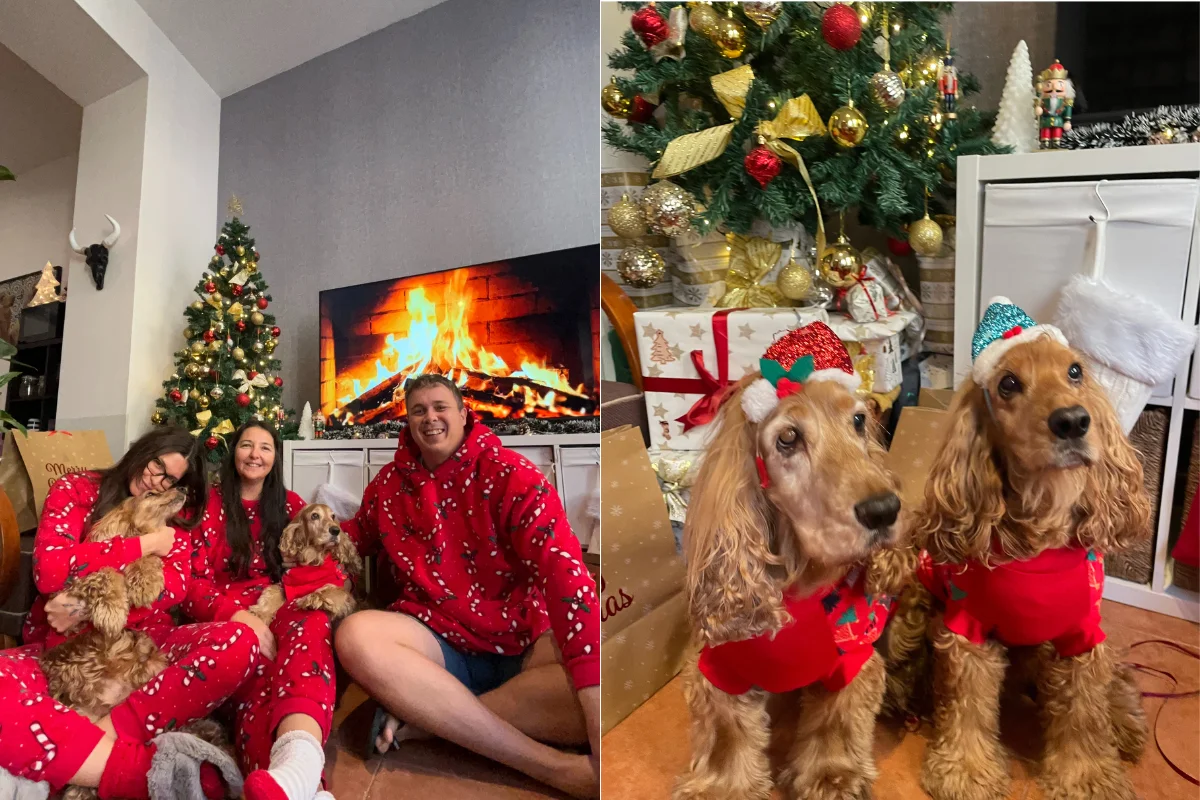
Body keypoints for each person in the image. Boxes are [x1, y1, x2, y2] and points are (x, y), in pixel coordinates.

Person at [335, 374, 601, 799]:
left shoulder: (513, 475)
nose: (430, 417)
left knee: (605, 679)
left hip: (521, 641)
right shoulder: (388, 486)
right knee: (356, 636)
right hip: (435, 642)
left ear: (464, 413)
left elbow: (564, 574)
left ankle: (428, 721)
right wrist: (300, 536)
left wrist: (594, 708)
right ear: (408, 422)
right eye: (418, 410)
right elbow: (351, 540)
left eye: (440, 407)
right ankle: (553, 769)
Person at [0, 426, 259, 799]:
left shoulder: (174, 519)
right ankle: (148, 773)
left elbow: (170, 590)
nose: (157, 482)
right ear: (142, 450)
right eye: (156, 465)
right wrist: (146, 544)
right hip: (60, 652)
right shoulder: (77, 489)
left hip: (148, 650)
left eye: (171, 481)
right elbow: (51, 573)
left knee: (239, 642)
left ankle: (91, 745)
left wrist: (83, 606)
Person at [182, 421, 334, 800]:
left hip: (280, 601)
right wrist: (239, 617)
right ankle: (302, 785)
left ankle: (296, 771)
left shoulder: (292, 505)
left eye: (265, 447)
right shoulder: (206, 505)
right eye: (246, 445)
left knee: (312, 626)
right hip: (226, 617)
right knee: (263, 675)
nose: (255, 455)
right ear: (233, 452)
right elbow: (188, 583)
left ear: (275, 457)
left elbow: (327, 555)